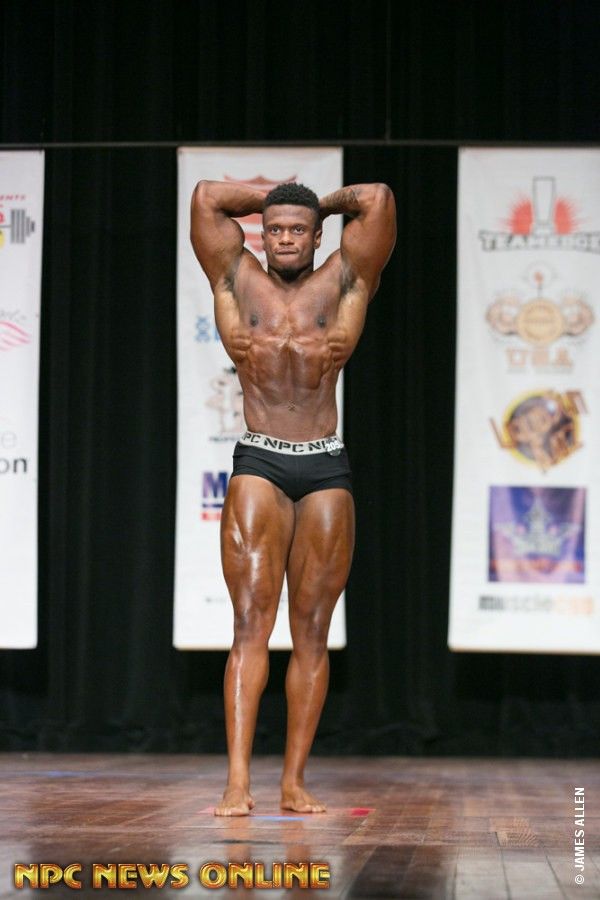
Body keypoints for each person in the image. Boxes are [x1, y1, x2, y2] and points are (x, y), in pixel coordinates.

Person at [190, 178, 396, 815]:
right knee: (250, 625)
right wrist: (272, 200)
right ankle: (237, 783)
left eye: (297, 229)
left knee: (311, 630)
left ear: (316, 235)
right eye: (275, 228)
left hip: (324, 464)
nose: (284, 238)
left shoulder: (345, 279)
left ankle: (294, 782)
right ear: (262, 232)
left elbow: (379, 199)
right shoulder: (234, 276)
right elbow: (205, 197)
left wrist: (314, 203)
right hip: (260, 460)